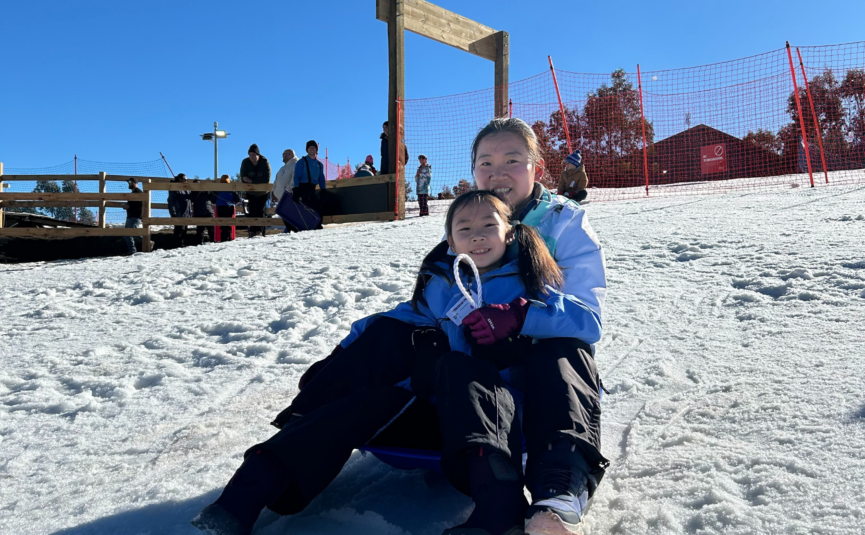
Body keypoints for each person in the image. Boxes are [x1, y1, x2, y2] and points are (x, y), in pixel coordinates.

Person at [191, 190, 569, 535]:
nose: (478, 235)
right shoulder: (440, 284)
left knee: (459, 366)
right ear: (450, 241)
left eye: (490, 225)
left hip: (496, 418)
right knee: (372, 399)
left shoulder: (530, 282)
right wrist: (339, 353)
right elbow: (397, 318)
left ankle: (499, 512)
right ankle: (246, 493)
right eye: (464, 228)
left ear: (511, 233)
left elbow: (576, 320)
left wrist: (520, 317)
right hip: (432, 414)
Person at [297, 117, 606, 535]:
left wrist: (521, 316)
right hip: (470, 385)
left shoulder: (562, 222)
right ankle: (310, 428)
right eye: (486, 163)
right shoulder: (472, 220)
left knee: (564, 347)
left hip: (540, 384)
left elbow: (586, 316)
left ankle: (558, 492)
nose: (497, 173)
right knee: (399, 338)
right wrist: (351, 349)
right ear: (473, 169)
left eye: (512, 160)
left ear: (536, 166)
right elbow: (427, 306)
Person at [240, 144, 272, 238]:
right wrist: (252, 182)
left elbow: (266, 180)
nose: (252, 157)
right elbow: (243, 178)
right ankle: (253, 232)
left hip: (263, 192)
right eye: (250, 154)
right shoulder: (245, 162)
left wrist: (252, 181)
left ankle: (261, 232)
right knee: (252, 212)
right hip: (251, 192)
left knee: (262, 212)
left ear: (258, 155)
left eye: (254, 154)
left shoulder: (265, 162)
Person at [292, 140, 326, 226]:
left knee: (318, 207)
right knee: (305, 208)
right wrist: (296, 189)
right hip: (302, 188)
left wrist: (323, 189)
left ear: (316, 150)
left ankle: (317, 226)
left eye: (314, 147)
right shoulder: (301, 162)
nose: (312, 149)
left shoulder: (319, 164)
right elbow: (296, 176)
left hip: (313, 188)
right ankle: (305, 226)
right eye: (310, 147)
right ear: (307, 150)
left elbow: (321, 178)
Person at [167, 173, 191, 247]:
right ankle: (177, 246)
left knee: (184, 230)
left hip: (186, 213)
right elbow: (171, 201)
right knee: (179, 230)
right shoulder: (174, 188)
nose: (186, 181)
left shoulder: (186, 189)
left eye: (186, 180)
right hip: (179, 213)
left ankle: (182, 245)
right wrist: (173, 213)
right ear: (180, 179)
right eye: (184, 179)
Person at [214, 175, 241, 242]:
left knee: (223, 224)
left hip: (220, 207)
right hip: (229, 207)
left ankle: (224, 239)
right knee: (228, 224)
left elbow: (213, 199)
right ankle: (228, 238)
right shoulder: (231, 189)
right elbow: (237, 199)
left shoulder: (217, 189)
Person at [189, 180, 216, 244]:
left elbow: (213, 198)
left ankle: (213, 242)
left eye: (199, 184)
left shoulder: (206, 191)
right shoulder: (192, 193)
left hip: (208, 211)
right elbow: (192, 199)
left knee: (211, 229)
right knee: (200, 230)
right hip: (199, 213)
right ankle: (199, 244)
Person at [122, 178, 144, 254]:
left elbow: (141, 204)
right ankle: (132, 251)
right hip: (130, 216)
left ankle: (147, 242)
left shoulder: (138, 192)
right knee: (127, 234)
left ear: (135, 183)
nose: (129, 184)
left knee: (133, 232)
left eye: (130, 182)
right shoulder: (133, 193)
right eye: (128, 182)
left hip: (135, 216)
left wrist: (129, 206)